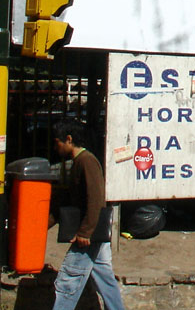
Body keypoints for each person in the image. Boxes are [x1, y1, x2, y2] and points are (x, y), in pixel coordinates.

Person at [51, 119, 125, 310]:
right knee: (105, 279)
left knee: (69, 279)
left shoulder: (87, 162)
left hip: (88, 235)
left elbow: (96, 199)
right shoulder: (78, 163)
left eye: (57, 142)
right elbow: (69, 201)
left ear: (68, 139)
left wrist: (85, 232)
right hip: (94, 234)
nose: (55, 147)